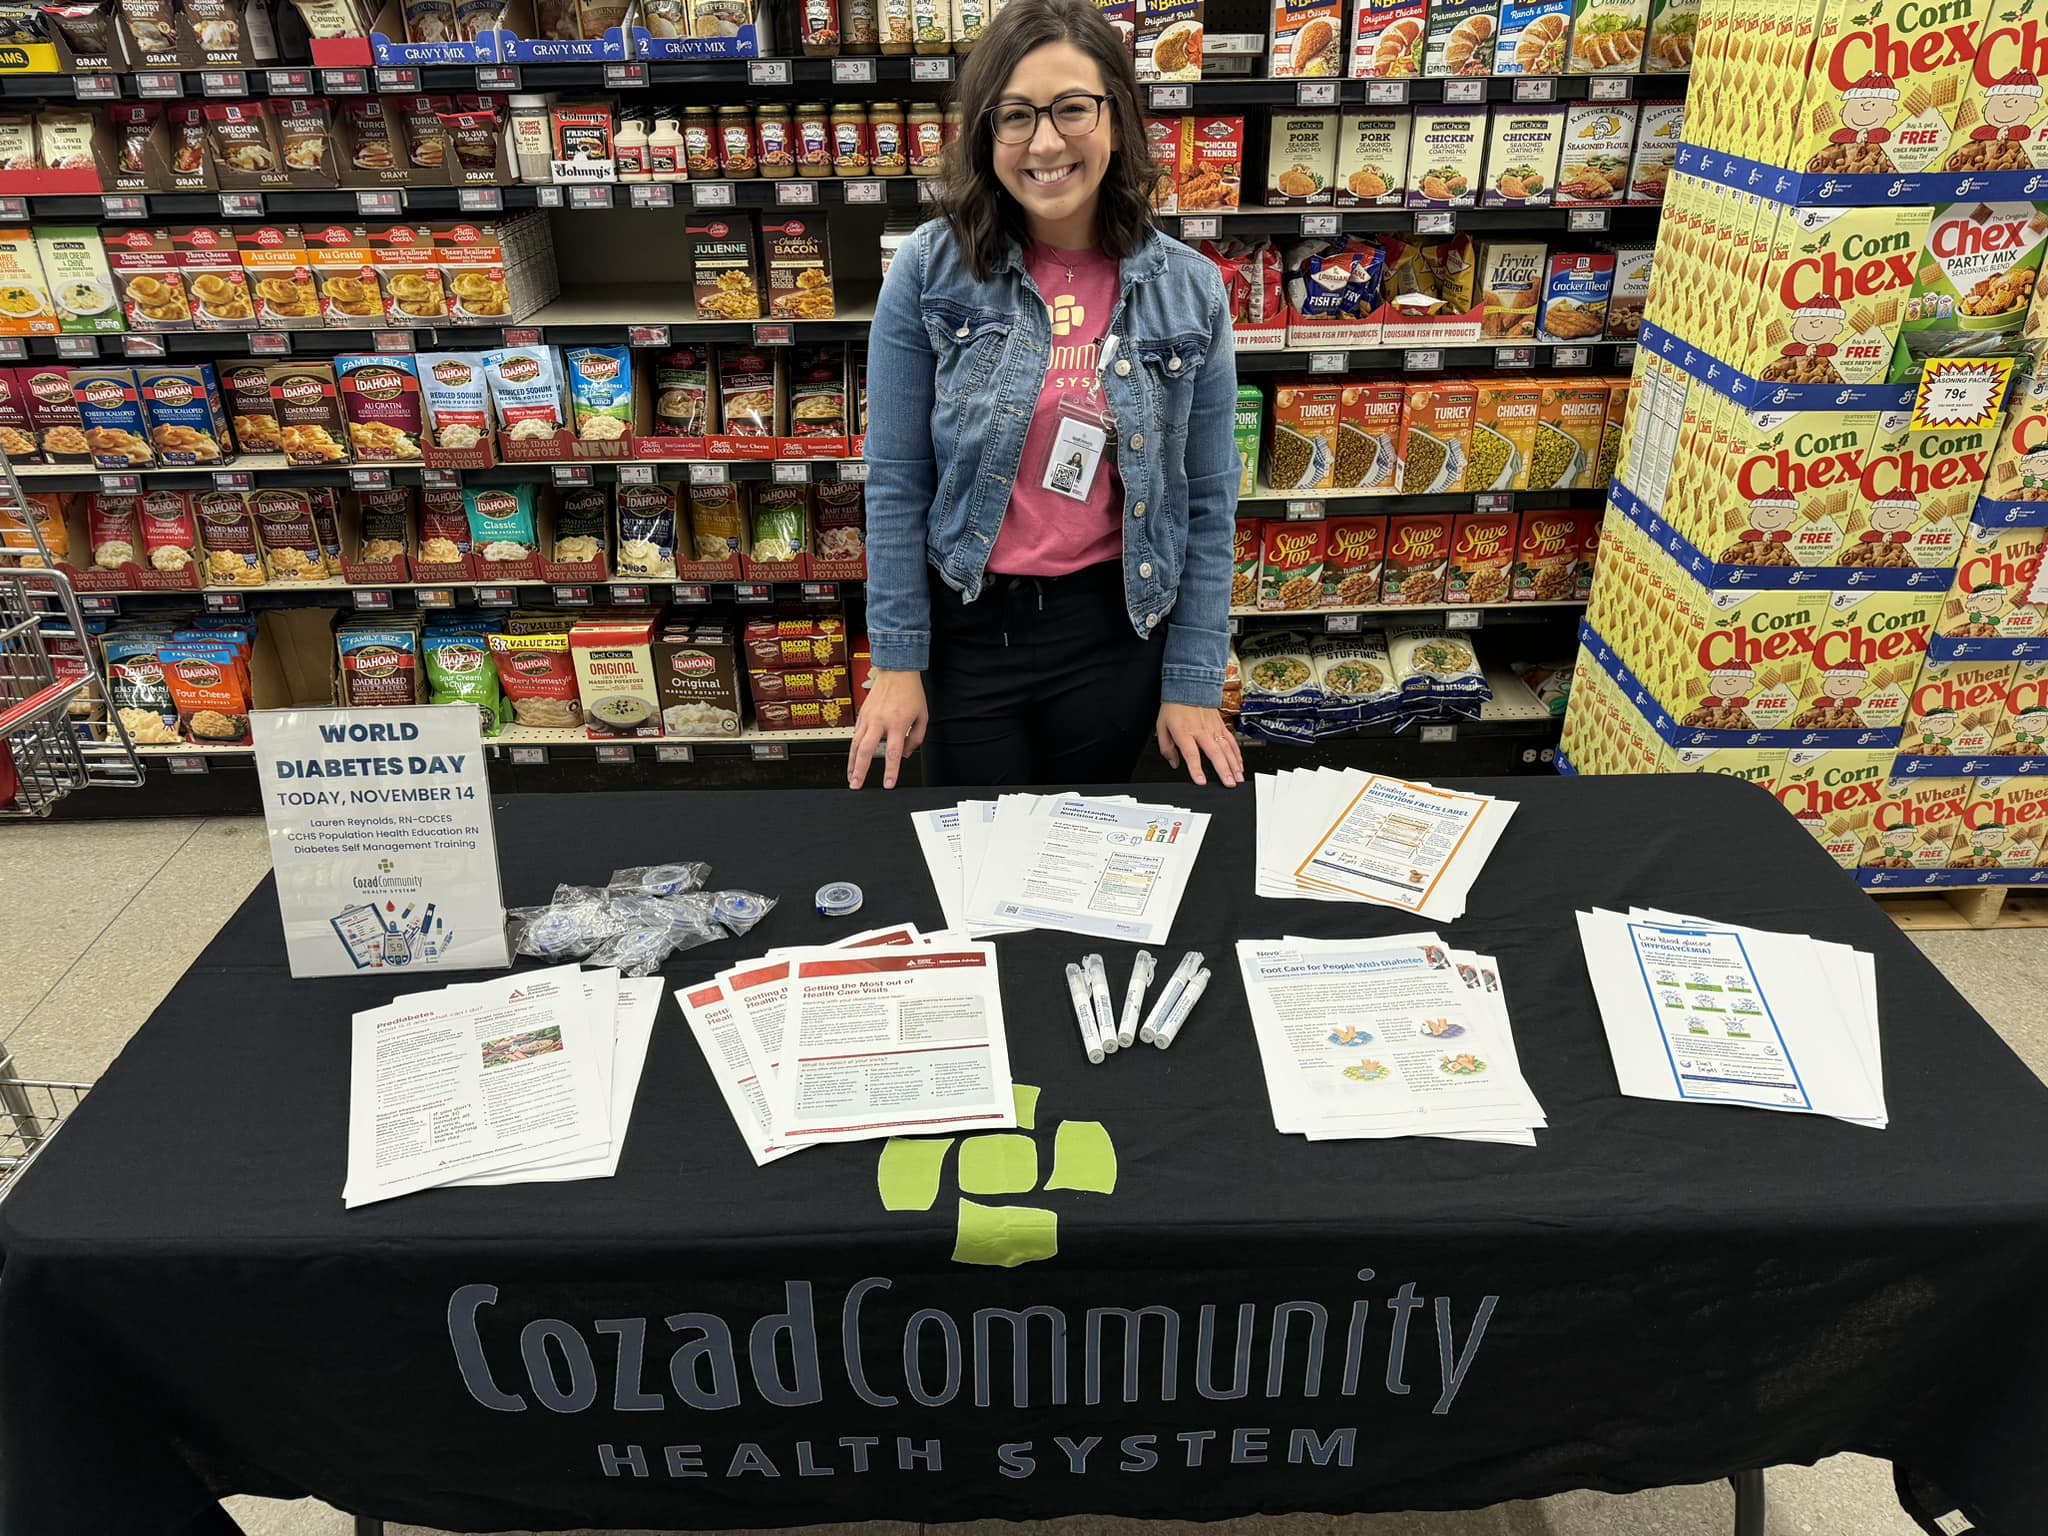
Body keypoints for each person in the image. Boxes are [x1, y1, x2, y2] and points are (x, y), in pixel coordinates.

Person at [849, 0, 1243, 790]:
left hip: (1116, 632)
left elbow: (1207, 498)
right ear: (986, 133)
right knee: (975, 862)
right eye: (1016, 116)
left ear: (1119, 120)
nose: (1046, 142)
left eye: (1072, 109)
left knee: (1082, 858)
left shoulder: (1190, 290)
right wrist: (896, 660)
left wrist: (1194, 679)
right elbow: (895, 481)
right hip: (967, 631)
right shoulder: (929, 270)